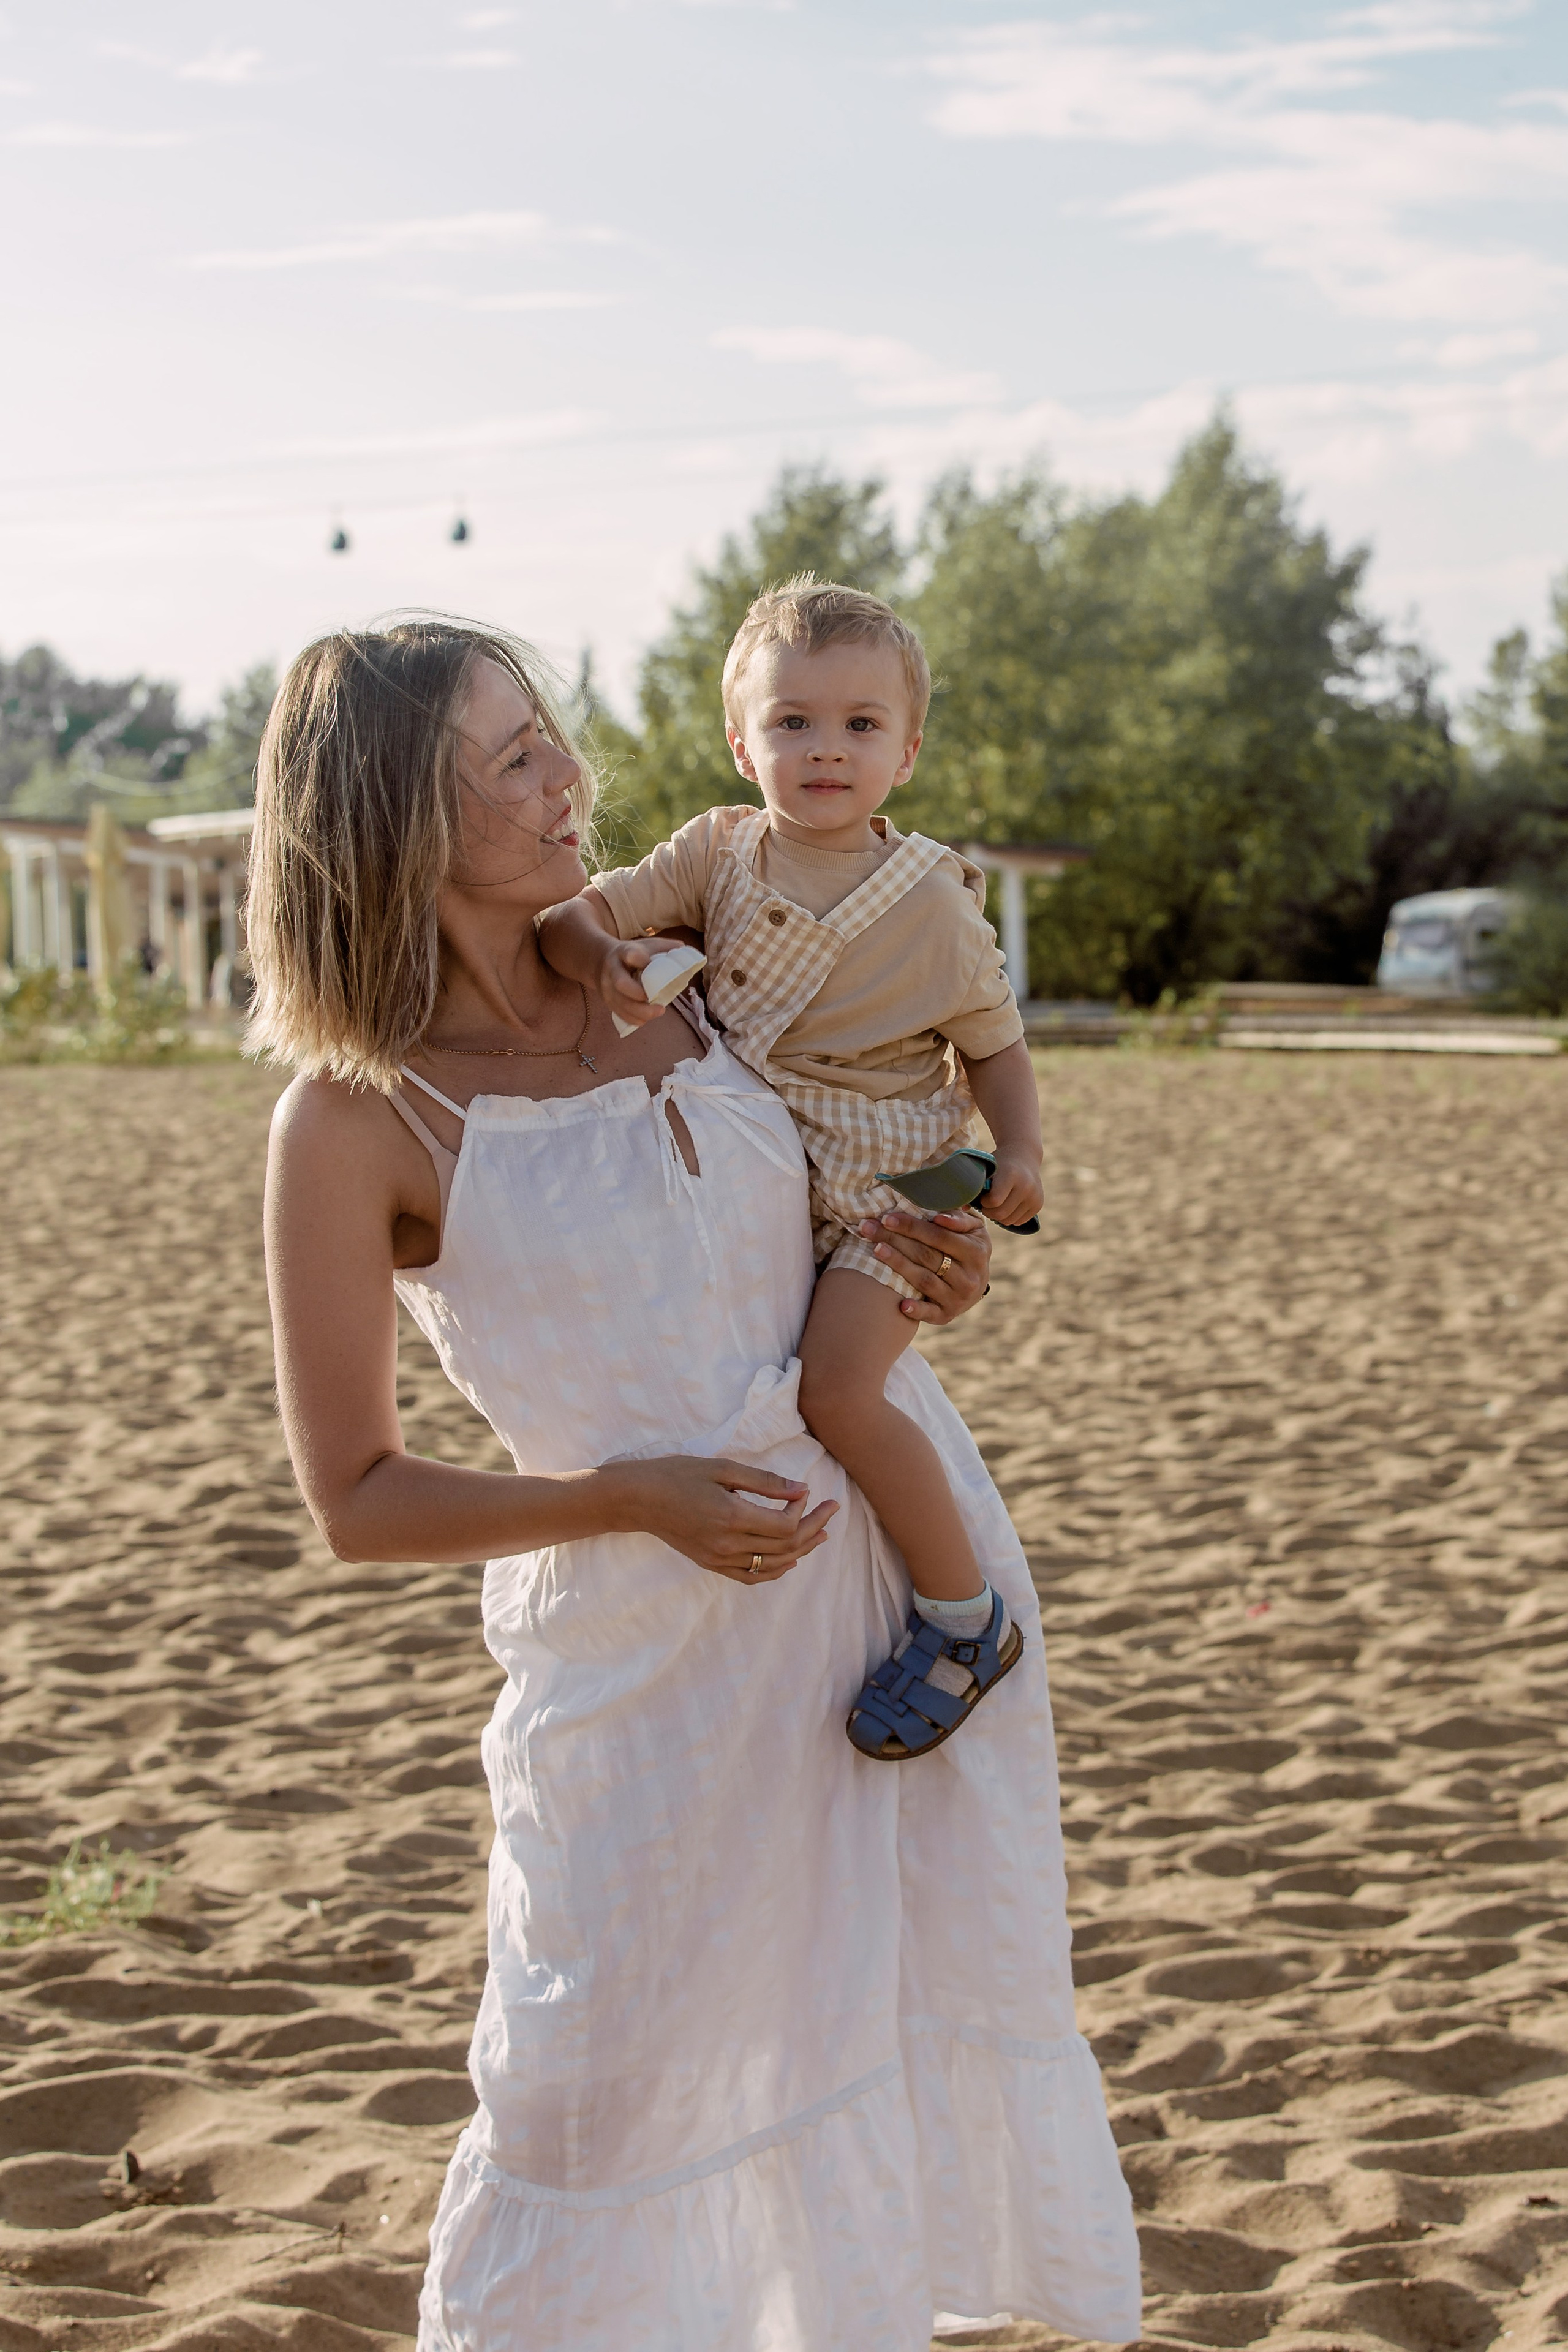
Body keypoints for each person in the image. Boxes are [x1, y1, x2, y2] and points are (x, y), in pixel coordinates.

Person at [253, 616, 1140, 2352]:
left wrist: (933, 1251)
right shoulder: (354, 1120)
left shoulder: (676, 966)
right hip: (654, 1670)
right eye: (510, 759)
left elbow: (857, 1162)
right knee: (595, 2103)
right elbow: (355, 1501)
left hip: (899, 1632)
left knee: (874, 2066)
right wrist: (636, 1496)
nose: (569, 777)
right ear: (390, 816)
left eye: (551, 734)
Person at [540, 579, 1044, 1762]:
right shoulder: (718, 854)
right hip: (764, 1178)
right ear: (741, 741)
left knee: (839, 1395)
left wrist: (1019, 1150)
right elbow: (575, 915)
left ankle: (963, 1618)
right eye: (794, 723)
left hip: (889, 1189)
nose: (827, 749)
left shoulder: (932, 900)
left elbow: (996, 1041)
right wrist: (606, 953)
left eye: (862, 726)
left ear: (908, 750)